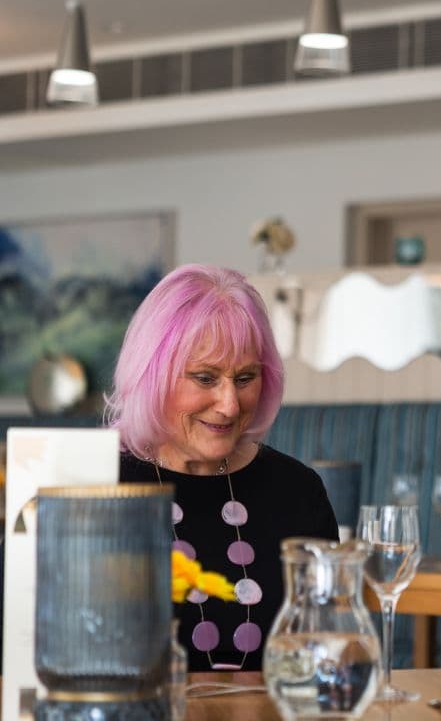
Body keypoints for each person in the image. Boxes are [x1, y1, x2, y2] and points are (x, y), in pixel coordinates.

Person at [108, 264, 338, 671]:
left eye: (245, 378)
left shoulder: (297, 492)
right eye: (205, 377)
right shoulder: (91, 485)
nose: (230, 405)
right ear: (152, 375)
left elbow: (330, 653)